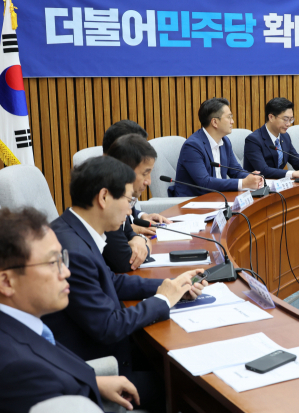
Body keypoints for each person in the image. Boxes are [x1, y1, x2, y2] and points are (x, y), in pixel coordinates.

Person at [43, 156, 206, 411]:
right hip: (99, 369)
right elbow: (109, 326)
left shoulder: (74, 230)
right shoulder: (73, 251)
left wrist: (172, 287)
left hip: (110, 351)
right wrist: (162, 300)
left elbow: (112, 282)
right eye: (129, 201)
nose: (131, 212)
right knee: (190, 386)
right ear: (104, 197)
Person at [0, 207, 141, 412]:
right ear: (7, 282)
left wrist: (95, 383)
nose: (66, 272)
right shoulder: (17, 371)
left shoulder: (24, 323)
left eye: (62, 259)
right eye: (52, 263)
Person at [104, 134, 173, 272]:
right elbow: (127, 262)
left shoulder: (120, 200)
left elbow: (131, 233)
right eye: (145, 174)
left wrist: (139, 238)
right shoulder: (109, 206)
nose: (149, 182)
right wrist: (144, 242)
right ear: (125, 171)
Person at [170, 98, 263, 197]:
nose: (232, 121)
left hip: (218, 197)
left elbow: (236, 171)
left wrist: (253, 178)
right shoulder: (192, 146)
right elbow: (205, 182)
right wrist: (243, 183)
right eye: (229, 117)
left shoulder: (225, 142)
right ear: (214, 122)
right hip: (194, 200)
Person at [102, 120, 171, 237]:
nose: (148, 181)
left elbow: (129, 212)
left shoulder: (120, 181)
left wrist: (142, 216)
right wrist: (130, 231)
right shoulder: (104, 188)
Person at [243, 97, 299, 179]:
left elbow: (297, 162)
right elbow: (263, 170)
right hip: (258, 184)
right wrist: (293, 173)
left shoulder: (285, 136)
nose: (288, 124)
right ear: (271, 117)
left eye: (291, 119)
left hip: (278, 183)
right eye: (285, 119)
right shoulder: (253, 140)